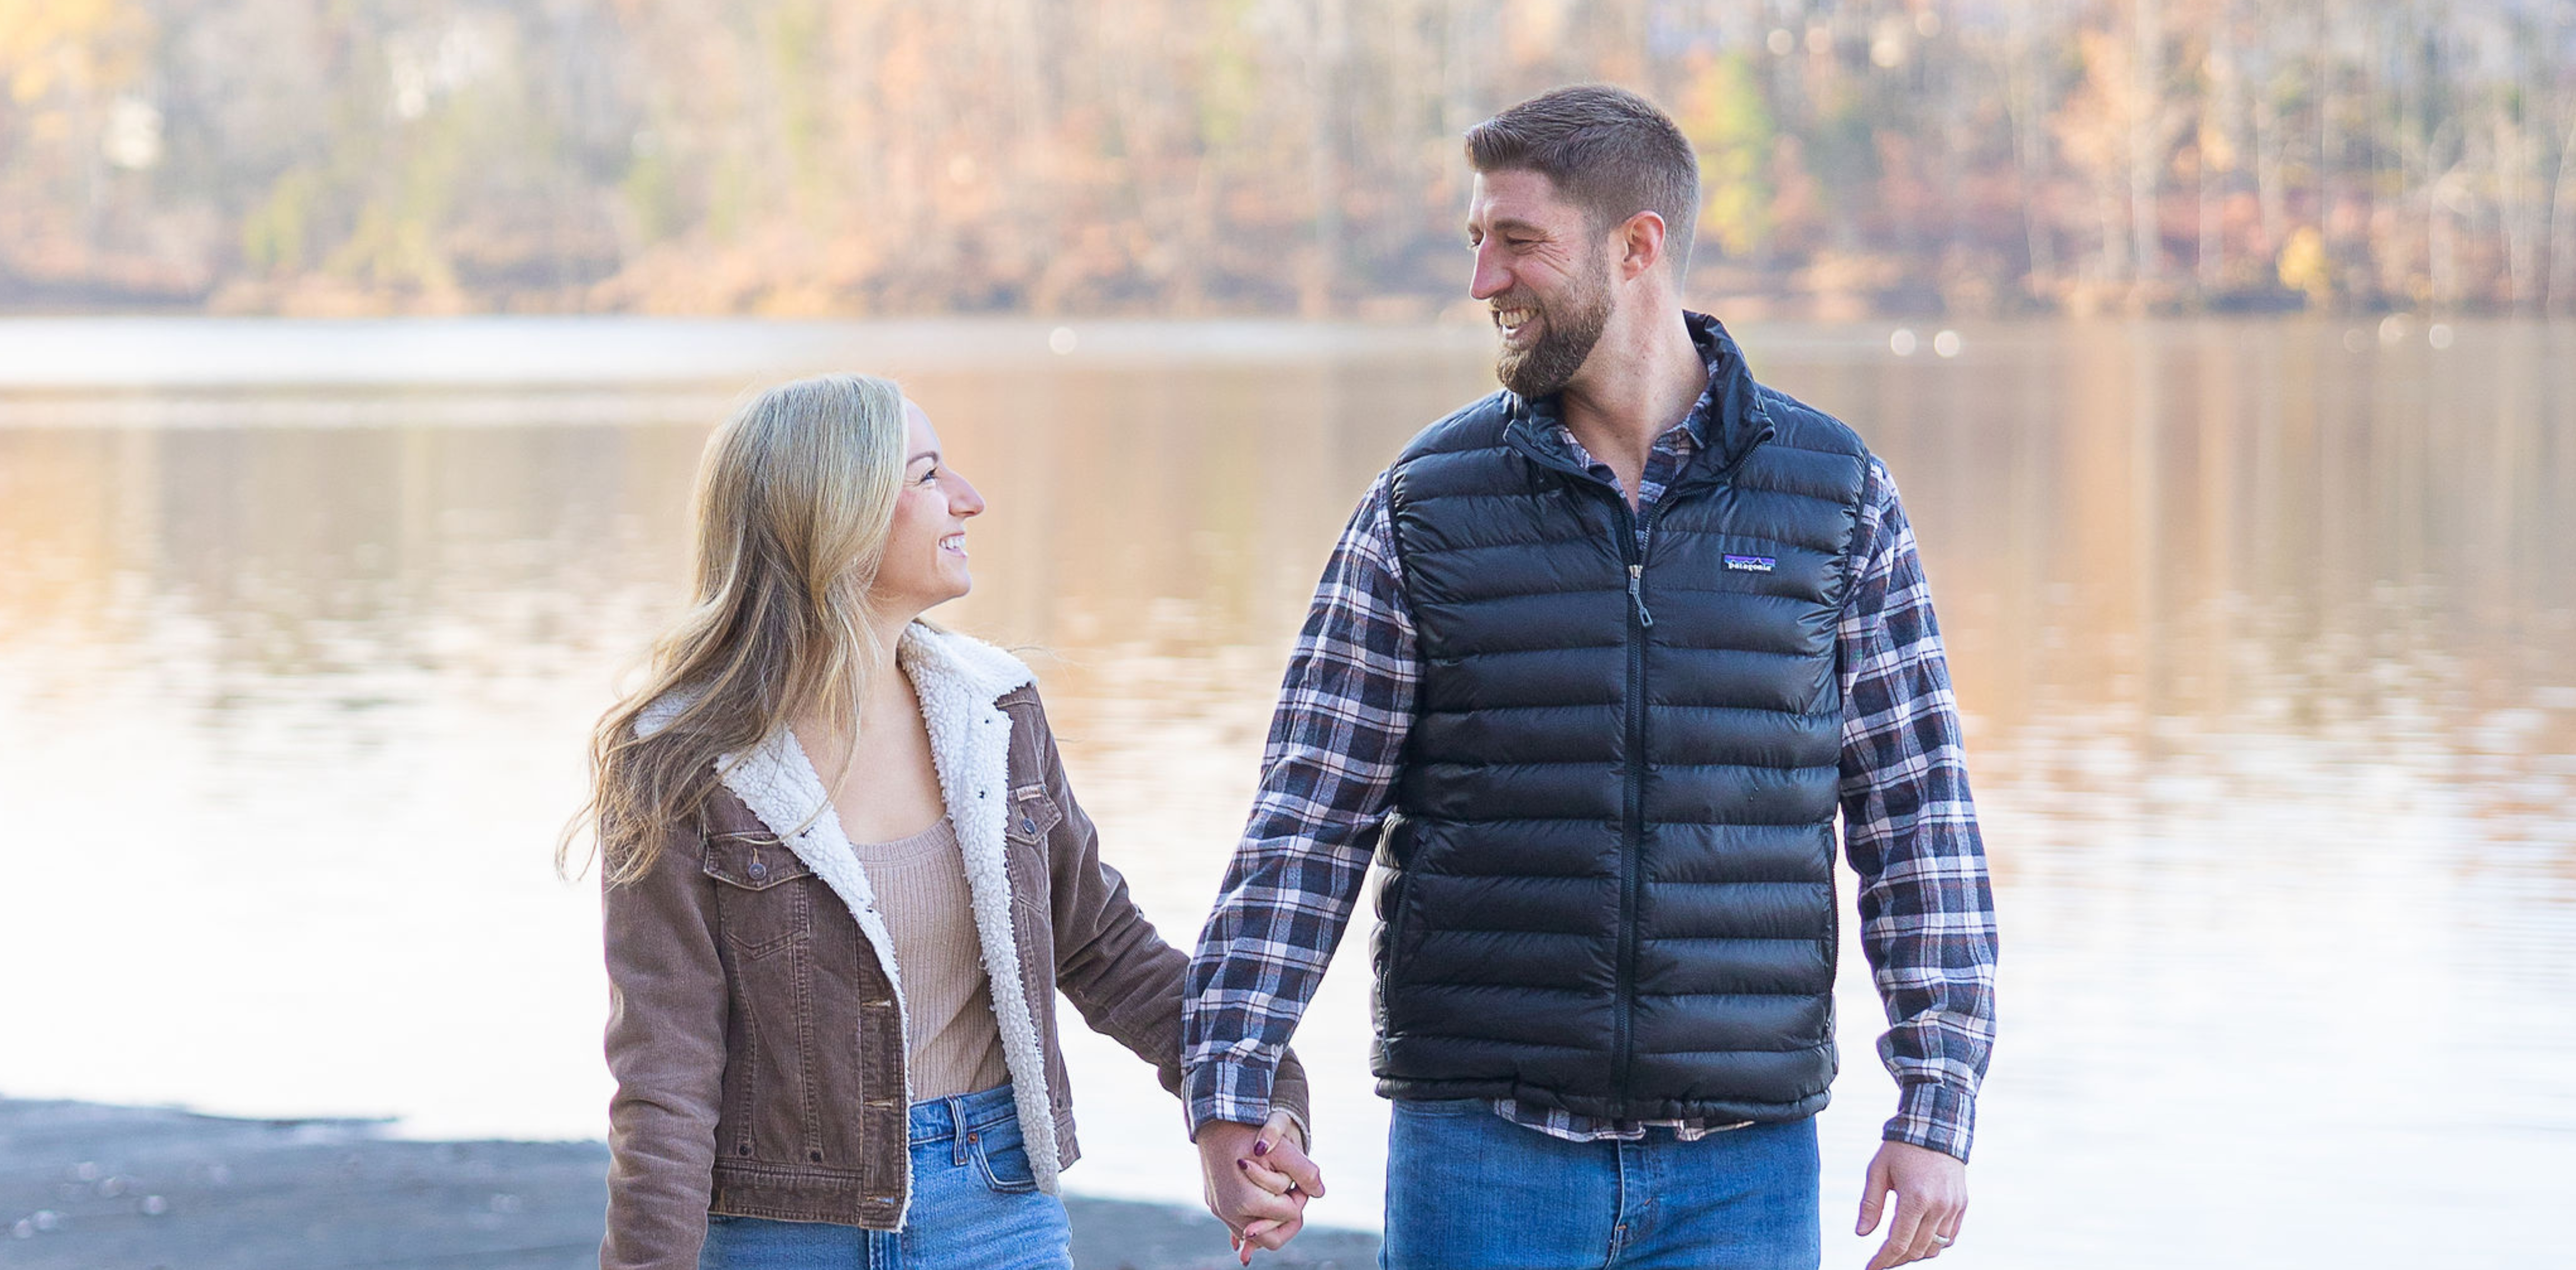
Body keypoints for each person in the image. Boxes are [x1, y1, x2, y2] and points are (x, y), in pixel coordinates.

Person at [1184, 85, 2000, 1270]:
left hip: (1746, 1168)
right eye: (1477, 243)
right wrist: (1230, 1076)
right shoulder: (1427, 504)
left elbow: (1919, 819)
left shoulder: (1835, 496)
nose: (1485, 282)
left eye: (1518, 243)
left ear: (1638, 248)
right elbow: (1310, 816)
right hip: (1484, 1156)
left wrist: (1938, 1106)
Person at [571, 373, 1323, 1270]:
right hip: (779, 1230)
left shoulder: (995, 712)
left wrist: (1254, 1086)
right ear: (834, 514)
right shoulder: (681, 762)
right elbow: (667, 1073)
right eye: (927, 475)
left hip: (998, 1207)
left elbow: (1101, 948)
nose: (969, 498)